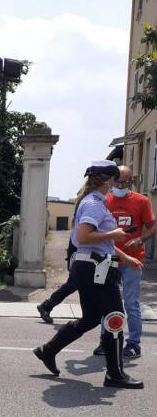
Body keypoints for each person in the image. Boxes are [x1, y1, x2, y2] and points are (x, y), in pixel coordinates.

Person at [33, 160, 144, 389]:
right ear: (109, 180)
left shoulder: (93, 202)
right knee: (114, 318)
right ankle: (115, 375)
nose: (118, 185)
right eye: (116, 180)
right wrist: (114, 232)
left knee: (92, 319)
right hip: (95, 270)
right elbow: (84, 238)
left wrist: (125, 257)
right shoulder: (94, 204)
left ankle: (48, 350)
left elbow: (99, 242)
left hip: (92, 268)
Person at [89, 165, 155, 359]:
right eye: (117, 181)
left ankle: (134, 344)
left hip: (133, 260)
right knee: (106, 302)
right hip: (109, 258)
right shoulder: (105, 200)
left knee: (131, 304)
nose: (119, 185)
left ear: (131, 181)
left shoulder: (141, 201)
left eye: (124, 182)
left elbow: (152, 227)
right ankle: (105, 340)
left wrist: (140, 239)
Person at [36, 233, 77, 324]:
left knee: (77, 285)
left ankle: (47, 305)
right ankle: (46, 306)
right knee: (73, 284)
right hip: (80, 254)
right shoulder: (84, 219)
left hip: (79, 253)